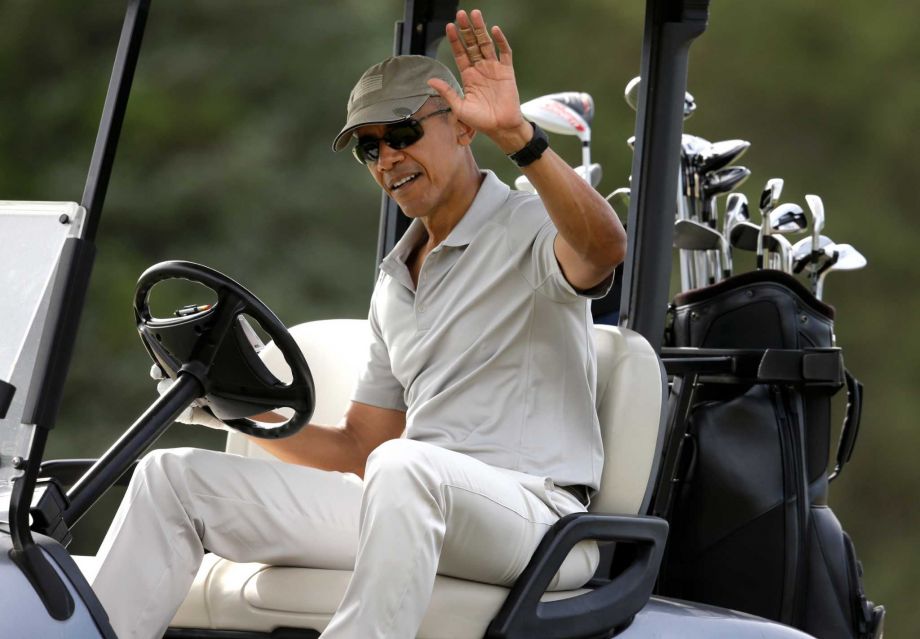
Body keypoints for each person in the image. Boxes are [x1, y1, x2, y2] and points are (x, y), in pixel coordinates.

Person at [90, 9, 626, 639]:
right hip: (412, 499)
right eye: (369, 147)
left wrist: (519, 137)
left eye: (400, 133)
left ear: (460, 125)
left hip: (535, 515)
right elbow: (359, 450)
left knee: (405, 467)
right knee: (172, 478)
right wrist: (237, 411)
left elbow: (603, 249)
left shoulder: (530, 223)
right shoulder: (395, 281)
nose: (386, 158)